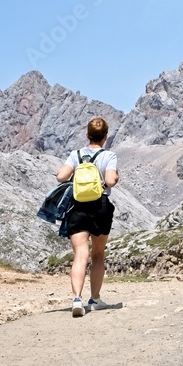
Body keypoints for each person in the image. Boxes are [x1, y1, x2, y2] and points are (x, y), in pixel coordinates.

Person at [56, 117, 119, 317]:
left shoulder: (76, 155)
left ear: (87, 134)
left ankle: (77, 299)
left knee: (80, 255)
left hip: (78, 207)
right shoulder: (109, 156)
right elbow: (110, 180)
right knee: (98, 255)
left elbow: (61, 177)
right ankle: (95, 298)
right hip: (100, 207)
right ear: (106, 137)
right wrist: (115, 177)